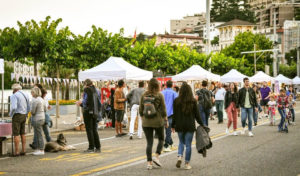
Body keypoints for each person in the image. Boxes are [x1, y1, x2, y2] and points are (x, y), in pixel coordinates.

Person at [172, 82, 203, 170]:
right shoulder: (193, 101)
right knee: (188, 144)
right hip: (190, 125)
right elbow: (197, 115)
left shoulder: (176, 101)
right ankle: (187, 164)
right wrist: (202, 124)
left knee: (181, 142)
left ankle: (179, 156)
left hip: (179, 125)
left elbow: (175, 114)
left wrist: (173, 125)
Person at [139, 78, 168, 170]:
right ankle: (156, 156)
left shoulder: (144, 95)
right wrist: (166, 120)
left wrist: (142, 117)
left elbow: (141, 108)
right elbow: (163, 109)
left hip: (146, 122)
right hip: (158, 121)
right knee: (161, 139)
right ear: (158, 86)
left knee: (149, 142)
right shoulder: (160, 95)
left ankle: (149, 163)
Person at [9, 84, 30, 156]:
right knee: (22, 133)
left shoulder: (14, 95)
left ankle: (17, 151)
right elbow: (29, 106)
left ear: (14, 89)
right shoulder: (26, 94)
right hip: (24, 115)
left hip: (17, 115)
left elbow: (14, 107)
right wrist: (26, 113)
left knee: (16, 133)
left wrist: (10, 114)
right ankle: (23, 150)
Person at [82, 79, 102, 153]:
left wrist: (81, 103)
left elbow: (86, 101)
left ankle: (91, 147)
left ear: (86, 84)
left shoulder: (87, 90)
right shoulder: (97, 90)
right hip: (95, 111)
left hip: (88, 111)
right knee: (94, 129)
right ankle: (98, 147)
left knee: (89, 129)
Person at [162, 80, 178, 152]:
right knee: (168, 130)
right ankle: (166, 145)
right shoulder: (174, 93)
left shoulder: (162, 93)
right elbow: (177, 104)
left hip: (162, 114)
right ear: (172, 86)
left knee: (167, 130)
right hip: (171, 114)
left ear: (165, 85)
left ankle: (171, 143)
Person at [31, 87, 46, 155]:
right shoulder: (42, 100)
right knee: (39, 133)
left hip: (37, 118)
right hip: (42, 117)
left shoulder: (35, 100)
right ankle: (40, 149)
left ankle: (41, 149)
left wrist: (30, 111)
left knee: (38, 134)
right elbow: (45, 109)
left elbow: (33, 112)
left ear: (35, 93)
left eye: (32, 92)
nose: (31, 94)